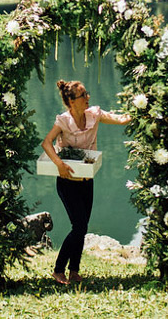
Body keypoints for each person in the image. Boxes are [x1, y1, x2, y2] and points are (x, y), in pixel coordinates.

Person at [41, 79, 131, 285]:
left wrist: (139, 110)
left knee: (81, 225)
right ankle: (58, 270)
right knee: (79, 226)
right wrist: (59, 165)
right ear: (72, 101)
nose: (88, 97)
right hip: (67, 181)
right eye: (83, 95)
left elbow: (119, 119)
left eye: (86, 93)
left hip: (86, 179)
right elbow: (46, 143)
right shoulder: (63, 120)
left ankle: (74, 271)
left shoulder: (94, 114)